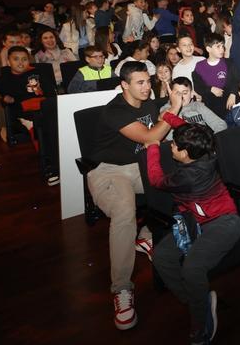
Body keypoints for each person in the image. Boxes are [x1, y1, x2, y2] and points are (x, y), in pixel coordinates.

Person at [88, 61, 182, 330]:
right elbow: (151, 138)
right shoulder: (114, 111)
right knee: (125, 212)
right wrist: (173, 109)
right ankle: (121, 289)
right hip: (109, 171)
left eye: (148, 81)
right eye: (139, 83)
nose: (146, 87)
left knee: (179, 183)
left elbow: (158, 140)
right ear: (124, 85)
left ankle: (148, 236)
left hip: (138, 167)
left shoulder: (150, 104)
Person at [144, 121, 240, 345]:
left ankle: (202, 322)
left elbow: (156, 179)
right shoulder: (206, 149)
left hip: (223, 222)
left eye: (175, 145)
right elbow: (195, 130)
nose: (171, 147)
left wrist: (152, 146)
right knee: (161, 257)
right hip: (194, 220)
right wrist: (170, 115)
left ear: (186, 153)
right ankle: (197, 300)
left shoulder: (187, 176)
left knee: (192, 268)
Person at [0, 46, 59, 184]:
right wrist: (7, 98)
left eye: (24, 59)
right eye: (16, 59)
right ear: (8, 61)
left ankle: (62, 161)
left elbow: (50, 92)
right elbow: (9, 96)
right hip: (26, 111)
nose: (20, 62)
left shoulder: (38, 73)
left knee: (57, 119)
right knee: (43, 126)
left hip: (46, 106)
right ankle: (52, 167)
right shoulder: (6, 78)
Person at [192, 33, 239, 119]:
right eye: (218, 46)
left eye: (222, 46)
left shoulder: (229, 63)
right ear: (208, 49)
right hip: (210, 109)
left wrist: (233, 94)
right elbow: (198, 86)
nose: (222, 49)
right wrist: (210, 89)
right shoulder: (200, 66)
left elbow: (237, 80)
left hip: (229, 106)